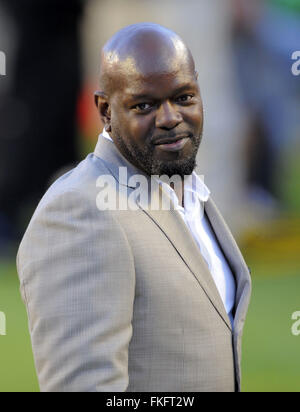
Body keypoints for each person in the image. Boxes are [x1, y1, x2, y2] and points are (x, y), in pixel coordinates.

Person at [17, 23, 251, 392]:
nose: (171, 118)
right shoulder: (79, 211)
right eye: (145, 105)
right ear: (105, 110)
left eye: (184, 97)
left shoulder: (188, 191)